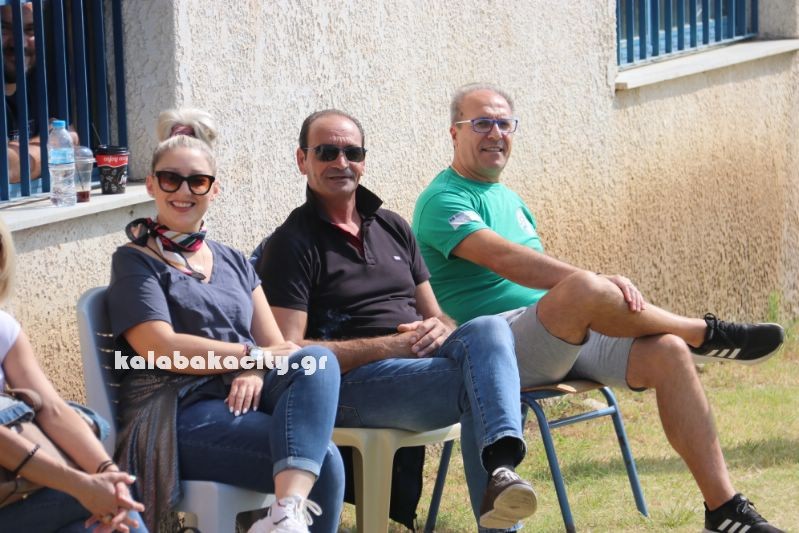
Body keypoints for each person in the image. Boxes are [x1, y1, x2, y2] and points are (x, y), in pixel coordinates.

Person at [411, 82, 785, 533]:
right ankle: (703, 333)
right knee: (584, 287)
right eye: (481, 123)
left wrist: (589, 293)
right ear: (455, 133)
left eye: (504, 123)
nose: (495, 133)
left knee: (668, 352)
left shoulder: (509, 198)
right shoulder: (442, 199)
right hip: (494, 351)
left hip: (554, 336)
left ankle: (723, 509)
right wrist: (593, 285)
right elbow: (505, 260)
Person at [254, 109, 535, 532]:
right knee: (486, 385)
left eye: (352, 152)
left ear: (364, 161)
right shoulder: (292, 243)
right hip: (349, 388)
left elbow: (437, 314)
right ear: (302, 160)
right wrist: (390, 346)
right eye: (327, 152)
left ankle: (501, 469)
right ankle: (500, 512)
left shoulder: (392, 227)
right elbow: (290, 355)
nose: (341, 162)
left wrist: (440, 327)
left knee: (490, 328)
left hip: (418, 370)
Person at [106, 134, 344, 533]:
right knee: (327, 460)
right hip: (178, 410)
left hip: (241, 395)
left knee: (317, 360)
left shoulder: (233, 259)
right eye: (170, 179)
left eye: (197, 181)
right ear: (151, 185)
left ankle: (285, 513)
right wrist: (249, 357)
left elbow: (276, 347)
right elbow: (160, 348)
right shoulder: (134, 262)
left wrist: (254, 369)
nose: (184, 191)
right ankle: (285, 515)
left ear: (214, 190)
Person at [0, 218, 147, 533]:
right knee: (103, 502)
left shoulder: (3, 328)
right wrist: (82, 486)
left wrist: (107, 472)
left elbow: (52, 409)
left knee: (104, 514)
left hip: (16, 492)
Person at [1, 3, 78, 194]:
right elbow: (4, 167)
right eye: (4, 29)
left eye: (30, 30)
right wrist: (50, 143)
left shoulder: (41, 82)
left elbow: (72, 137)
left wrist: (17, 160)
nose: (19, 43)